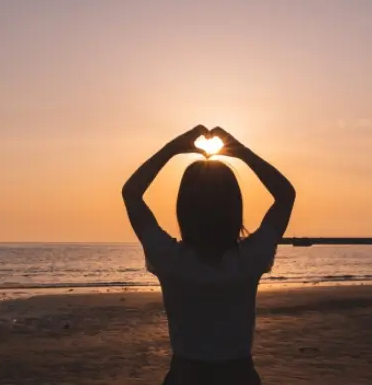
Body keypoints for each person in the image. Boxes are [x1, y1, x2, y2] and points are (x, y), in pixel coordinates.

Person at [122, 125, 296, 384]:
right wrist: (241, 152)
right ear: (235, 208)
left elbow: (131, 194)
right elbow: (285, 195)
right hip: (239, 376)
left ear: (183, 209)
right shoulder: (248, 260)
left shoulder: (172, 260)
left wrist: (173, 149)